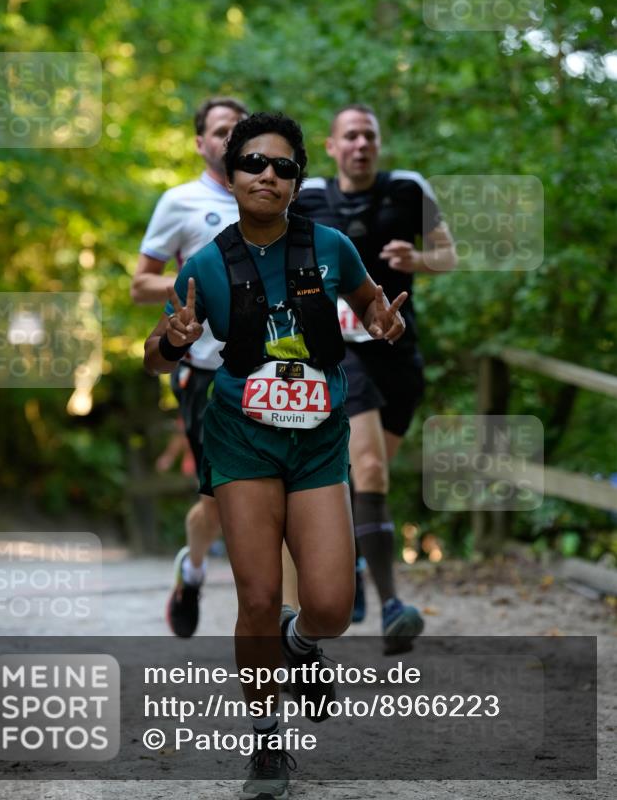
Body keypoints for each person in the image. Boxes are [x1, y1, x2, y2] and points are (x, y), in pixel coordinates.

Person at [144, 112, 407, 797]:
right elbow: (153, 358)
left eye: (283, 166)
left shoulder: (330, 247)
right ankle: (266, 744)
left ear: (296, 180)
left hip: (318, 438)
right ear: (231, 175)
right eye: (254, 163)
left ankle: (300, 644)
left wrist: (383, 320)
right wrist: (173, 341)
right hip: (241, 437)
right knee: (258, 598)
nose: (268, 175)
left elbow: (370, 304)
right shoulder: (206, 264)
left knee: (331, 607)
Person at [293, 104, 457, 653]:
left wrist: (418, 259)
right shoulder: (307, 198)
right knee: (368, 469)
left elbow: (449, 256)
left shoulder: (408, 188)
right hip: (340, 351)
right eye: (350, 136)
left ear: (379, 144)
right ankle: (392, 607)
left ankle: (357, 559)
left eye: (369, 135)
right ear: (332, 146)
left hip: (398, 351)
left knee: (366, 477)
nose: (361, 144)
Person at [131, 96, 247, 636]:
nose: (231, 138)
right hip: (202, 368)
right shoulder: (180, 202)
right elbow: (140, 285)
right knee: (217, 500)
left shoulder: (275, 195)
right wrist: (200, 287)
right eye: (221, 130)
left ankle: (281, 622)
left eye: (239, 129)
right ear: (200, 143)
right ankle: (194, 570)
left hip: (270, 369)